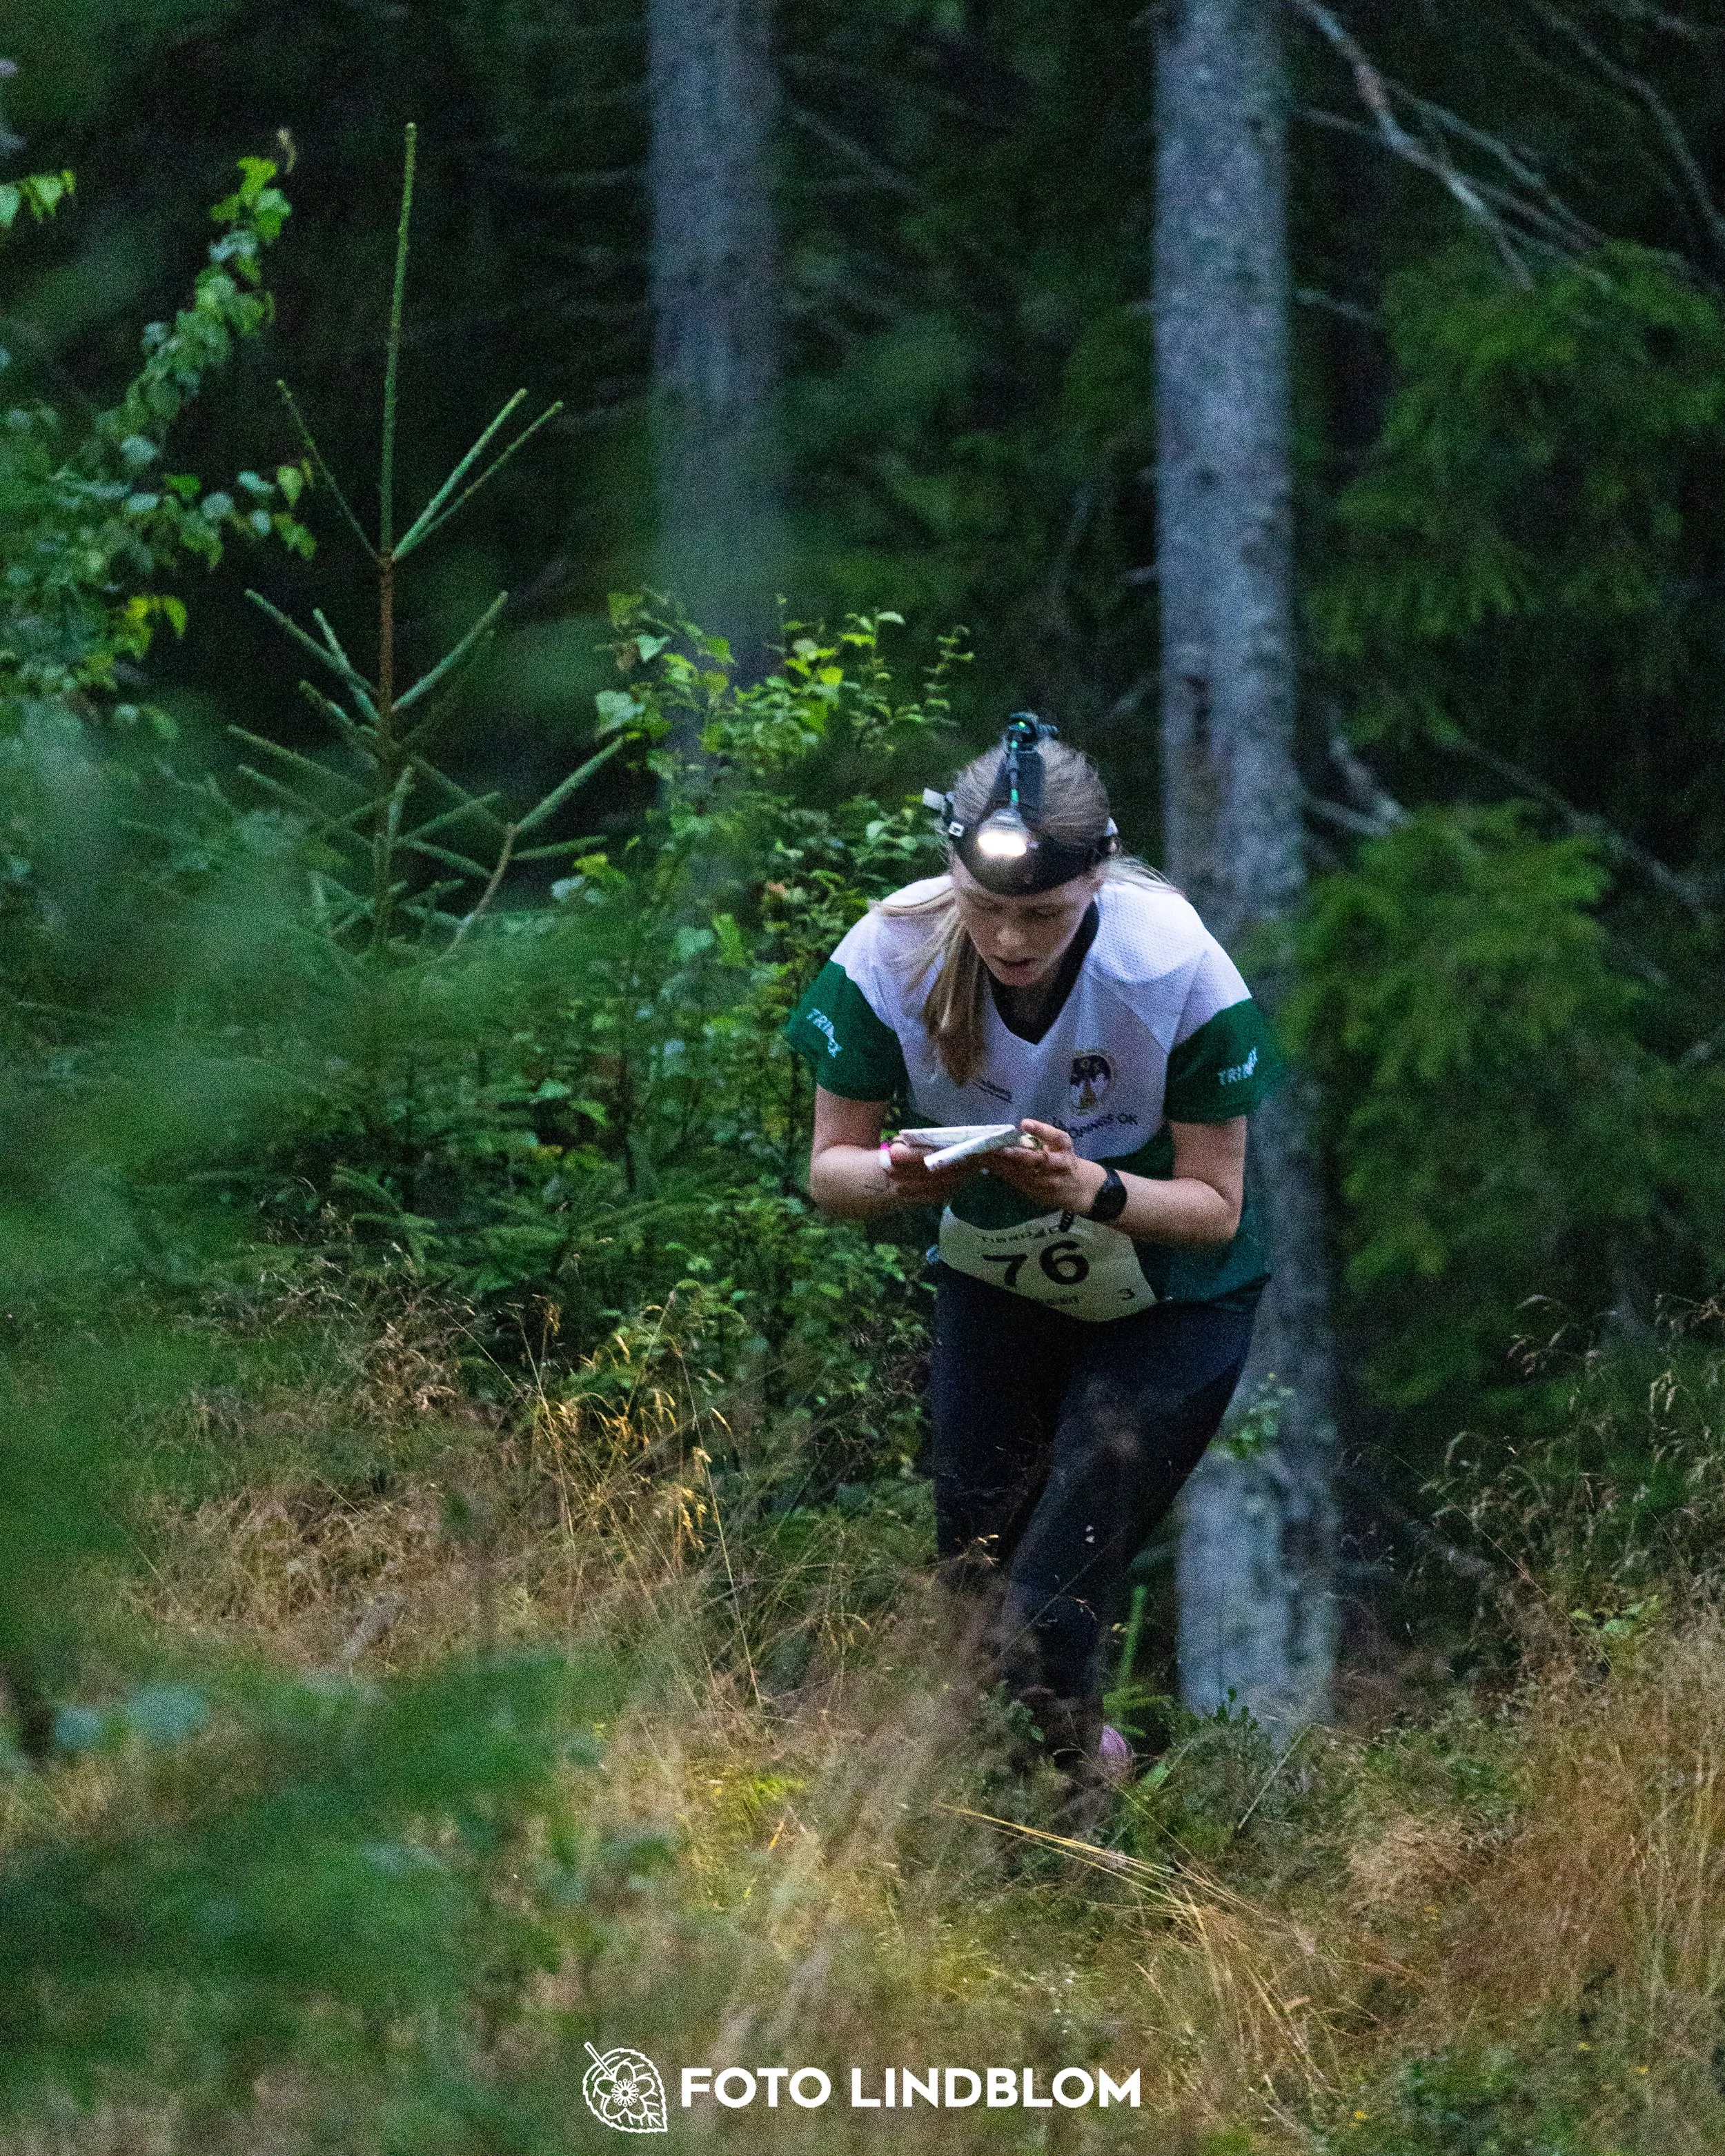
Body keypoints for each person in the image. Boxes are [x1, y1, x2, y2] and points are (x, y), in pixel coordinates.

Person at [782, 715, 1282, 1820]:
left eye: (1044, 914)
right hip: (997, 1282)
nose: (1010, 939)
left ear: (1100, 874)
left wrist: (1088, 1189)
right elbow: (830, 1171)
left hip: (1170, 1301)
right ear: (950, 873)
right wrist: (902, 1175)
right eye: (985, 907)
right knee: (974, 1595)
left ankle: (1073, 1840)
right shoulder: (890, 953)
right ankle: (1046, 1810)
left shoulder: (1172, 963)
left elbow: (1217, 1209)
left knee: (1051, 1599)